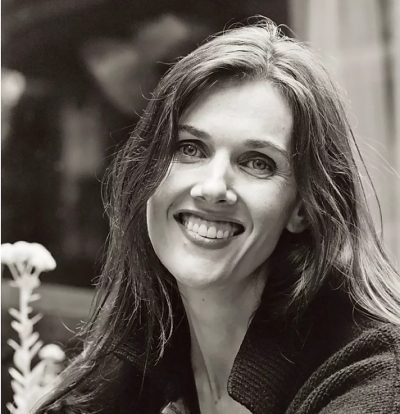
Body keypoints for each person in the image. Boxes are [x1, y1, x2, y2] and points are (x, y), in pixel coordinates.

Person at [36, 18, 400, 414]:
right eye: (190, 148)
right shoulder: (129, 366)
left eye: (257, 162)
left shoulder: (373, 379)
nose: (212, 188)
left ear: (302, 209)